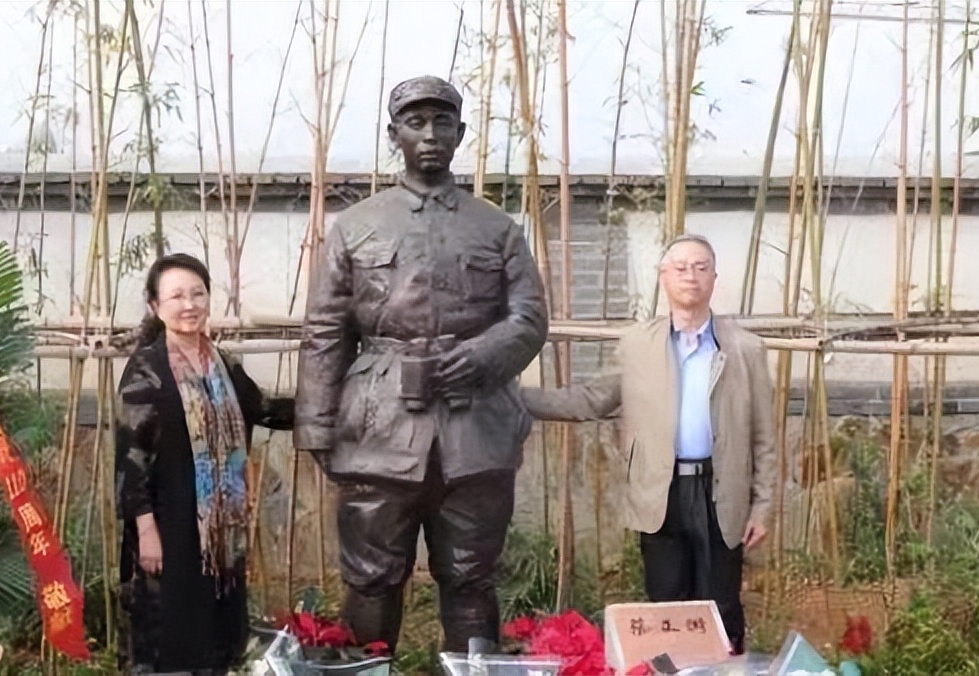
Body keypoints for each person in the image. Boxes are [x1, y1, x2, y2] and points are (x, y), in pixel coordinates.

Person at [294, 75, 548, 652]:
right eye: (415, 123)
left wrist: (483, 355)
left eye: (442, 123)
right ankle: (366, 667)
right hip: (378, 427)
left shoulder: (497, 228)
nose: (429, 135)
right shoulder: (356, 227)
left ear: (461, 134)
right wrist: (315, 424)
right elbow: (326, 329)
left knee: (471, 577)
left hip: (477, 428)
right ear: (394, 135)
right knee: (371, 577)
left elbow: (530, 318)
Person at [519, 234, 776, 655]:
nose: (690, 276)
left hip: (721, 490)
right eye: (680, 267)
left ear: (714, 278)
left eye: (700, 267)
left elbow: (763, 435)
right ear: (663, 278)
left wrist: (762, 507)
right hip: (660, 491)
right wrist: (518, 399)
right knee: (666, 607)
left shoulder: (745, 349)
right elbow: (591, 400)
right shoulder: (637, 345)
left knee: (721, 608)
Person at [116, 253, 294, 676]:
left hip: (219, 533)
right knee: (170, 636)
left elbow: (264, 408)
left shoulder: (222, 363)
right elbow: (130, 459)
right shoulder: (148, 370)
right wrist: (146, 532)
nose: (189, 304)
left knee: (216, 636)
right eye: (176, 295)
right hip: (168, 523)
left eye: (197, 293)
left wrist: (328, 404)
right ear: (156, 306)